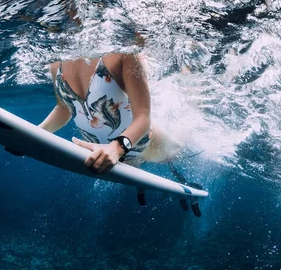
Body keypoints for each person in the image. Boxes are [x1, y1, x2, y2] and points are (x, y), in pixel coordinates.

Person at [38, 53, 202, 216]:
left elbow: (144, 117)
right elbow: (64, 108)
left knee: (177, 148)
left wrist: (117, 148)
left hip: (142, 143)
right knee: (133, 162)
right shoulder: (55, 64)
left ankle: (192, 106)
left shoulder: (123, 54)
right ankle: (138, 169)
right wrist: (39, 131)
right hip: (111, 154)